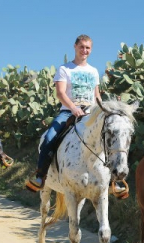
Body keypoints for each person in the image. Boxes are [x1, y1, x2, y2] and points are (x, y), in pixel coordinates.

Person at [26, 34, 101, 191]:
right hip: (68, 112)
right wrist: (74, 108)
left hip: (91, 112)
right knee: (49, 138)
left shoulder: (94, 71)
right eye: (81, 47)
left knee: (111, 136)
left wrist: (102, 109)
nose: (84, 50)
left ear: (91, 50)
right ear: (75, 47)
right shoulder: (65, 69)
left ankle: (114, 181)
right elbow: (60, 93)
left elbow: (97, 95)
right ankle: (40, 176)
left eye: (87, 48)